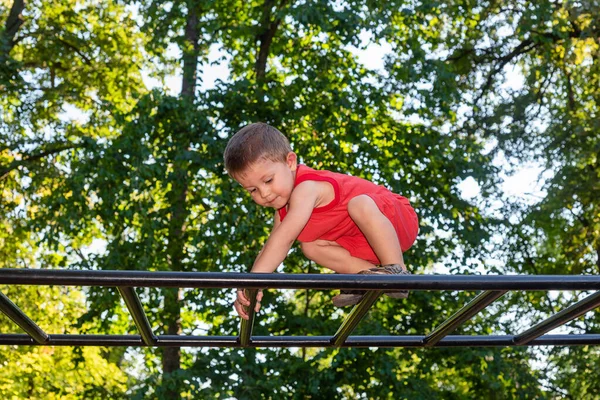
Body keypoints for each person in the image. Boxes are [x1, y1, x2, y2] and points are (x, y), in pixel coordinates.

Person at [224, 122, 419, 319]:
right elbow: (271, 247)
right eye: (253, 190)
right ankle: (366, 277)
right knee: (310, 247)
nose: (264, 193)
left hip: (395, 218)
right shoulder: (283, 211)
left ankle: (397, 271)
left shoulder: (307, 187)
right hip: (365, 242)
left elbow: (284, 240)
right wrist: (251, 286)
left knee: (359, 204)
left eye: (268, 181)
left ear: (290, 162)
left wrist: (254, 281)